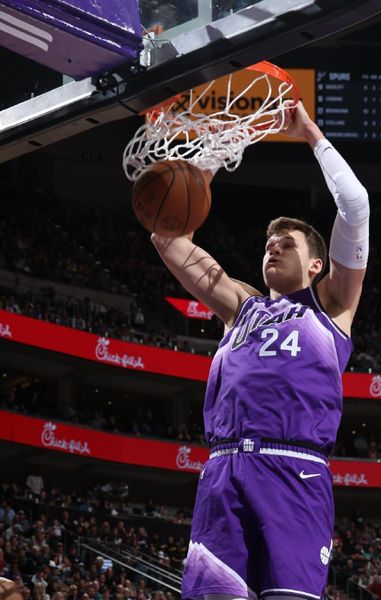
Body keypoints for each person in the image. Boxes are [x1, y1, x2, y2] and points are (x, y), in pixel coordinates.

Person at [151, 101, 368, 600]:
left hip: (294, 472)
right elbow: (167, 233)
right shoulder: (238, 306)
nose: (272, 247)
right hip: (224, 470)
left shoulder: (331, 308)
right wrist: (217, 154)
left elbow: (355, 206)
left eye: (286, 244)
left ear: (317, 265)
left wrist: (309, 132)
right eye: (268, 243)